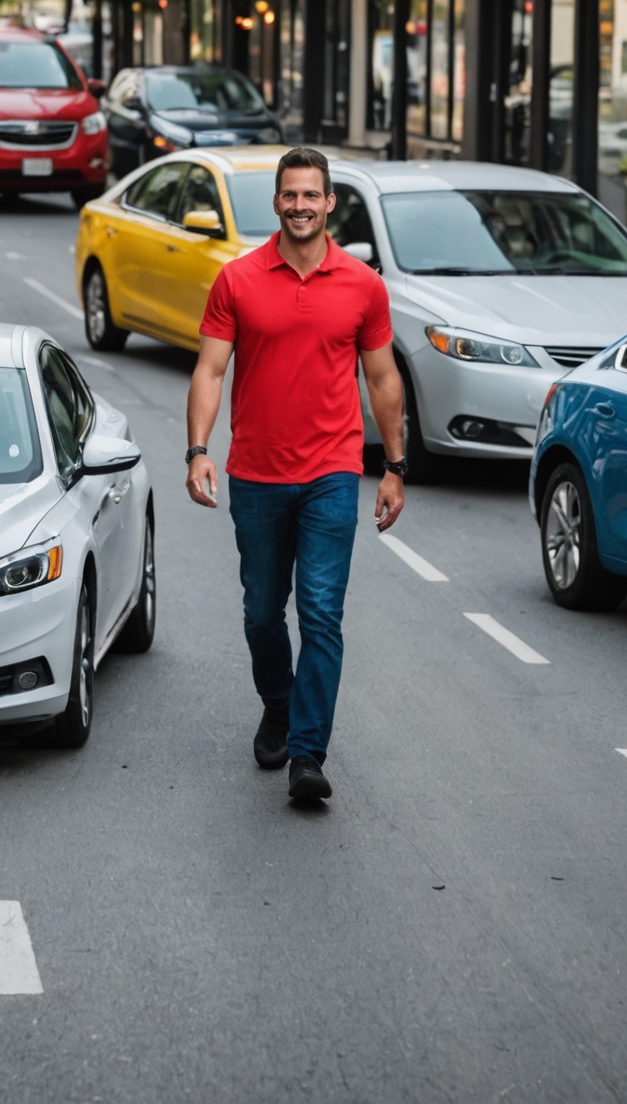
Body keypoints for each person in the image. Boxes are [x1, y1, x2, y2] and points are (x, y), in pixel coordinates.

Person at [185, 146, 406, 805]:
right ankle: (277, 701)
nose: (301, 206)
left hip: (332, 473)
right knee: (260, 612)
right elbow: (210, 370)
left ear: (330, 202)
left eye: (313, 195)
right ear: (276, 202)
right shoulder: (238, 279)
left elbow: (384, 378)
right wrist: (197, 449)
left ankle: (307, 754)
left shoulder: (363, 285)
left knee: (320, 613)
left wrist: (394, 466)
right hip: (254, 473)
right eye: (291, 195)